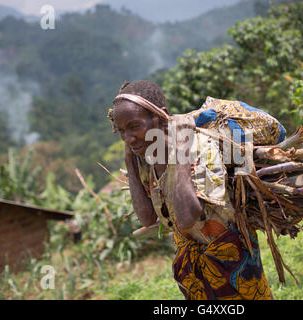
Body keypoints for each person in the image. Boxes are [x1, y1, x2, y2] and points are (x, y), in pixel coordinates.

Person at [108, 80, 285, 300]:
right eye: (121, 131)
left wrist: (182, 153)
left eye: (134, 126)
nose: (128, 138)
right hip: (192, 268)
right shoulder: (145, 157)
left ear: (160, 116)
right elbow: (146, 218)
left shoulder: (199, 146)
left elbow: (186, 218)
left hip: (231, 262)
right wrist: (129, 161)